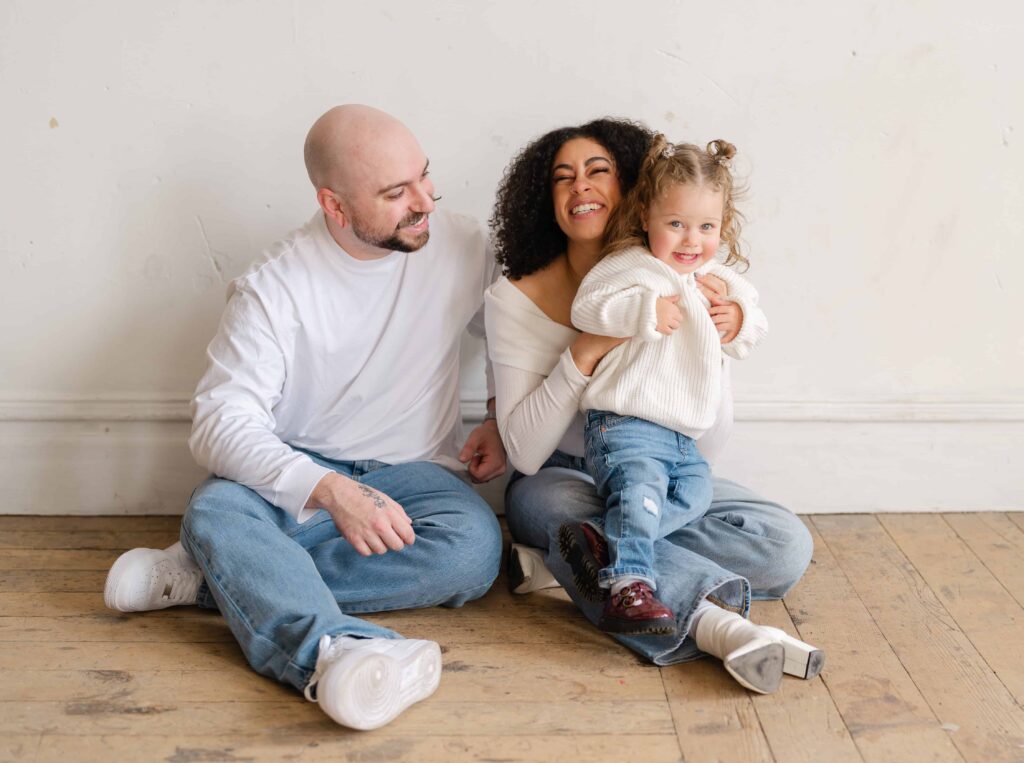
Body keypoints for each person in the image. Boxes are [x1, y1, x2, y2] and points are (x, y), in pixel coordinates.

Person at [103, 105, 506, 730]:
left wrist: (500, 414)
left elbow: (519, 336)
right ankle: (332, 654)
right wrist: (329, 489)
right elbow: (219, 422)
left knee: (474, 552)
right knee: (216, 511)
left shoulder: (461, 246)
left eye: (425, 176)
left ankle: (215, 576)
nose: (425, 200)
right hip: (299, 475)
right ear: (335, 206)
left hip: (415, 476)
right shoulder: (274, 285)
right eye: (397, 193)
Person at [486, 118, 823, 694]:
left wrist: (718, 335)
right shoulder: (515, 298)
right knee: (552, 507)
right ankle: (720, 627)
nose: (580, 187)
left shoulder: (693, 276)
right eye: (562, 178)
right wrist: (587, 349)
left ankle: (572, 565)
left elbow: (708, 444)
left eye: (598, 171)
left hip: (666, 465)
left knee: (783, 543)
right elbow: (525, 451)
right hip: (565, 478)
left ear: (635, 190)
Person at [567, 136, 768, 636]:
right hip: (625, 423)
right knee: (641, 491)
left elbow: (757, 322)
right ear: (645, 219)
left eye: (706, 227)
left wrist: (737, 316)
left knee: (696, 495)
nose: (690, 241)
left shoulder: (715, 278)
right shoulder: (632, 267)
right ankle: (629, 585)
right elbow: (586, 307)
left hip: (682, 438)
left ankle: (603, 538)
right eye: (675, 224)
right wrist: (641, 310)